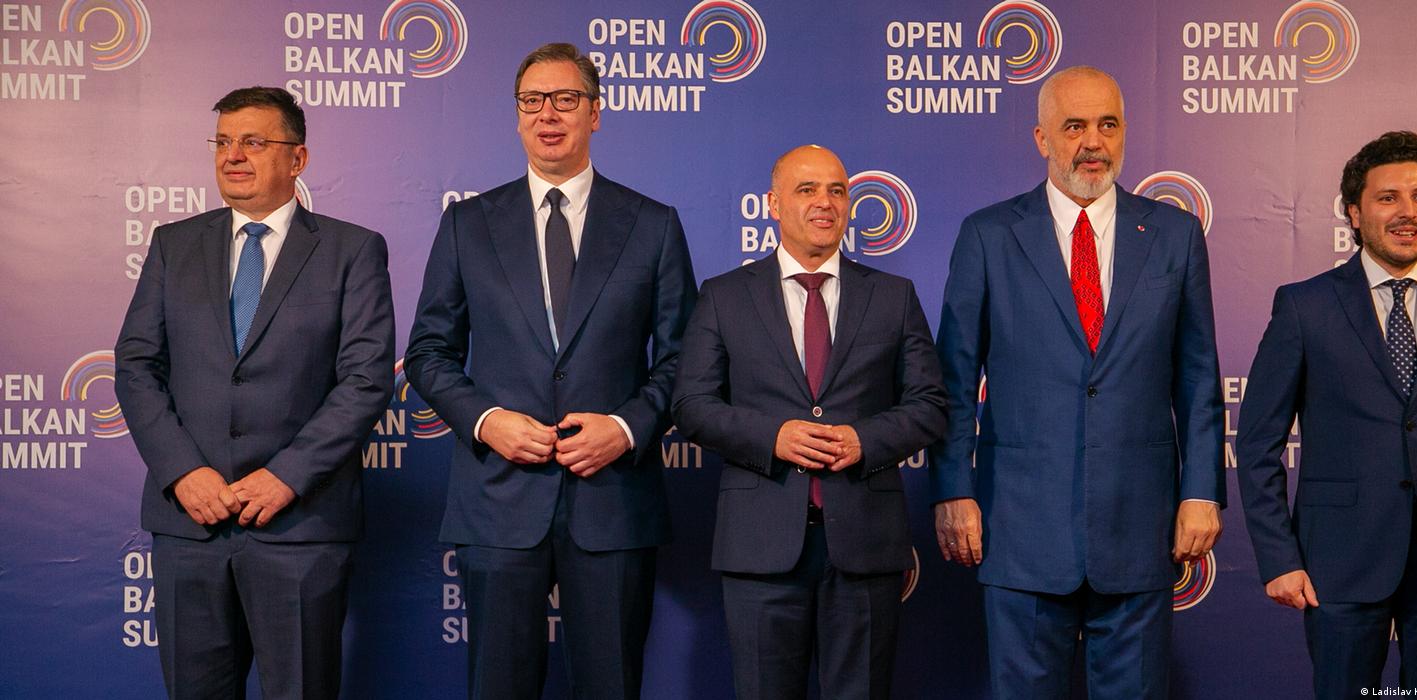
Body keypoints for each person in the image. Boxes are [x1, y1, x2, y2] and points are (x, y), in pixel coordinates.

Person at [404, 42, 696, 699]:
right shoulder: (467, 224)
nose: (548, 114)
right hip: (498, 500)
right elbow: (427, 352)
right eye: (532, 100)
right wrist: (486, 420)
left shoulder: (652, 225)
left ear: (595, 112)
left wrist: (626, 427)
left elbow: (686, 357)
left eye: (565, 99)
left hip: (613, 501)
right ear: (516, 116)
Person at [929, 66, 1225, 699]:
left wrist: (1201, 490)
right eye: (1074, 127)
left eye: (1107, 125)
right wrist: (953, 488)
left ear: (1124, 133)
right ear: (1042, 138)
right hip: (1019, 528)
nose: (1093, 142)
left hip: (1140, 528)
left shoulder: (1174, 235)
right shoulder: (988, 235)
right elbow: (953, 380)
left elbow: (1199, 379)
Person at [114, 86, 395, 699]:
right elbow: (136, 366)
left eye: (253, 142)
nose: (233, 155)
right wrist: (183, 472)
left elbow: (366, 379)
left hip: (300, 525)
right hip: (191, 525)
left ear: (298, 159)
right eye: (223, 142)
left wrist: (286, 476)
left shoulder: (352, 250)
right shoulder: (173, 244)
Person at [1235, 130, 1417, 698]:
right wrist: (1278, 557)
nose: (1408, 212)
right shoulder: (1304, 306)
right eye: (1388, 197)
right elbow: (1256, 445)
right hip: (1338, 561)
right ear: (1354, 211)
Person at [672, 145, 945, 699]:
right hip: (760, 546)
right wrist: (773, 437)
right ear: (773, 205)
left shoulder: (894, 297)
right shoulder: (724, 296)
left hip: (865, 545)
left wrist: (864, 440)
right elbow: (691, 405)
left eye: (837, 190)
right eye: (807, 189)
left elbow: (930, 404)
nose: (825, 202)